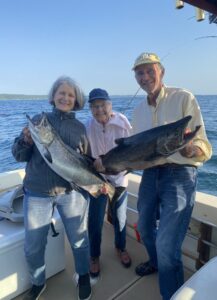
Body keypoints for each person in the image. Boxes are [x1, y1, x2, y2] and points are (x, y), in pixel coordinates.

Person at [131, 52, 212, 300]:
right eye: (140, 73)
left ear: (161, 72)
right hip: (149, 174)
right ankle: (155, 263)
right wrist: (113, 164)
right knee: (144, 228)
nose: (145, 77)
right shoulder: (137, 112)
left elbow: (204, 147)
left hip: (180, 174)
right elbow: (136, 152)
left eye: (150, 71)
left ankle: (172, 294)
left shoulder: (183, 98)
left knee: (167, 246)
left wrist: (189, 149)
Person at [12, 76, 92, 300]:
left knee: (79, 239)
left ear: (76, 100)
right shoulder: (39, 120)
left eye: (70, 94)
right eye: (61, 93)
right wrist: (25, 141)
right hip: (37, 193)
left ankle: (83, 276)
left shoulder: (80, 129)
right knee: (34, 245)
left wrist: (98, 183)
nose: (65, 98)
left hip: (71, 193)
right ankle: (38, 282)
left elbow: (85, 162)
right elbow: (18, 155)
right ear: (53, 96)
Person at [85, 88, 132, 281]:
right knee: (94, 222)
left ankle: (120, 247)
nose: (99, 110)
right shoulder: (87, 125)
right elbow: (85, 154)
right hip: (97, 181)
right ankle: (94, 256)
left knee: (120, 218)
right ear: (90, 109)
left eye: (103, 105)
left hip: (119, 179)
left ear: (110, 105)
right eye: (94, 106)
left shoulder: (123, 122)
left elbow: (132, 151)